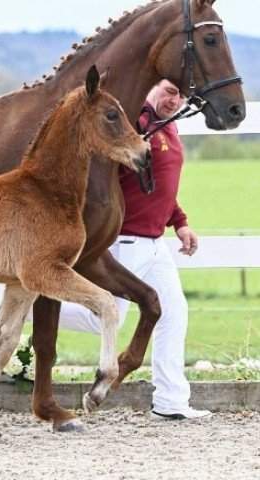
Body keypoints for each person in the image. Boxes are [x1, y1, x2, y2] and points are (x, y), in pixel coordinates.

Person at [56, 79, 212, 420]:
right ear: (153, 86)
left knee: (174, 313)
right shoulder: (135, 125)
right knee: (103, 319)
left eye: (182, 96)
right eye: (170, 91)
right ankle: (32, 308)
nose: (175, 101)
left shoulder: (168, 127)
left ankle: (171, 402)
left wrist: (180, 221)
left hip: (155, 245)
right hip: (125, 239)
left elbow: (158, 188)